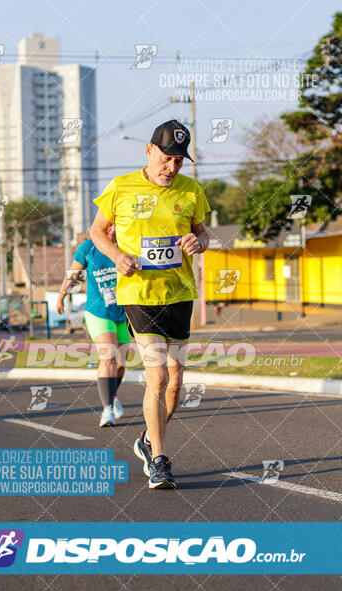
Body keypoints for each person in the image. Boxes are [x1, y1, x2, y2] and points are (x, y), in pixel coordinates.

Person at [90, 119, 210, 489]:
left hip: (179, 294)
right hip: (139, 295)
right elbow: (96, 231)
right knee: (156, 376)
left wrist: (198, 242)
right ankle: (160, 460)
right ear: (149, 150)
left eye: (179, 160)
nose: (172, 167)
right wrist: (116, 255)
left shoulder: (191, 190)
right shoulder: (120, 187)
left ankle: (146, 439)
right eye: (167, 158)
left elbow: (204, 232)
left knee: (175, 384)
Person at [57, 223, 130, 427]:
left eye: (116, 226)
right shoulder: (88, 248)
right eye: (108, 226)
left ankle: (112, 395)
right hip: (98, 312)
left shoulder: (127, 245)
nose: (112, 230)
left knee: (122, 363)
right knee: (108, 357)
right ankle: (107, 410)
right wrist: (61, 296)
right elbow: (73, 274)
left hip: (124, 312)